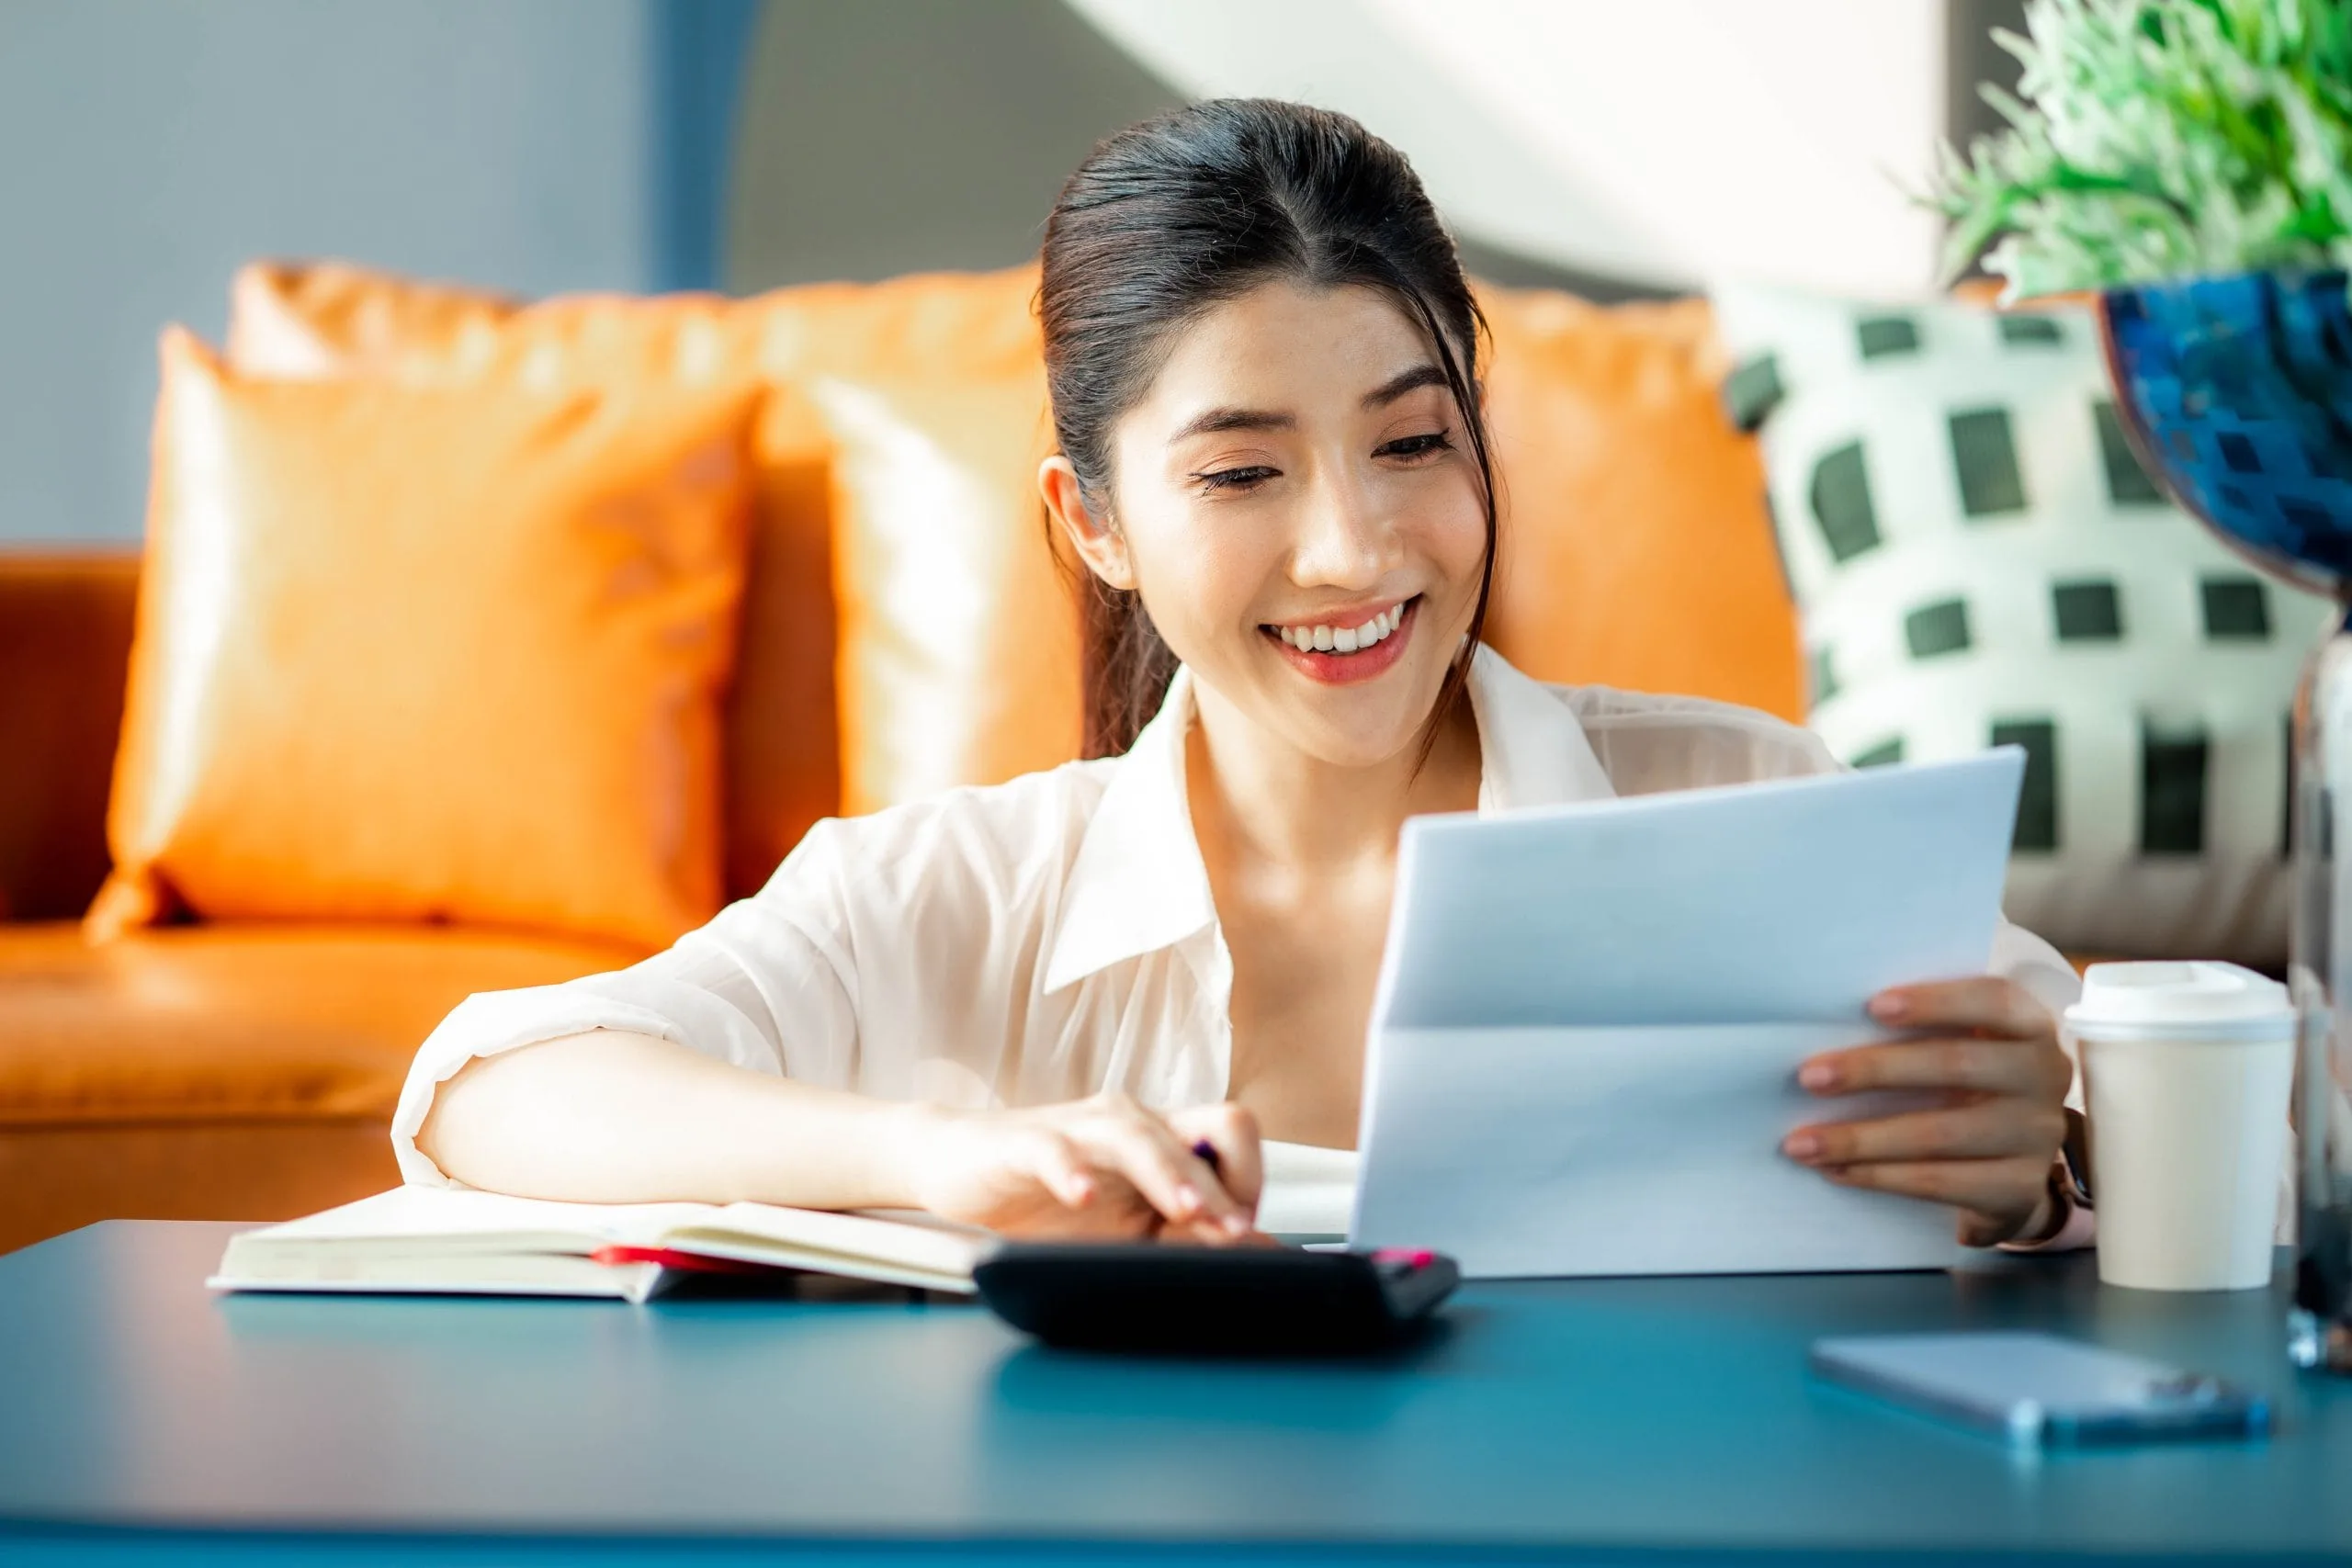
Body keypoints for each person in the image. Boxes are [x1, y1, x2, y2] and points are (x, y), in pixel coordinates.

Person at [403, 99, 2084, 1251]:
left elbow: (2129, 1107)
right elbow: (491, 1090)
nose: (1354, 549)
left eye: (1412, 442)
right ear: (1098, 524)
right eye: (1241, 471)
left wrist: (2038, 1163)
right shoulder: (960, 893)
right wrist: (941, 1159)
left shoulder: (1745, 806)